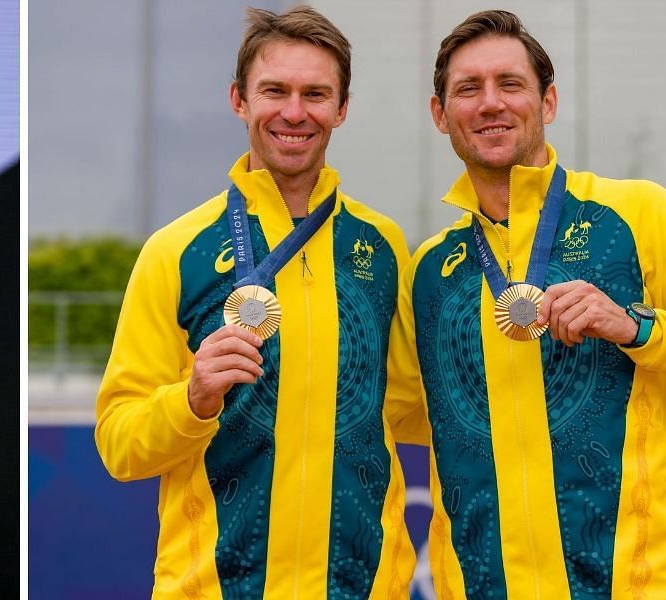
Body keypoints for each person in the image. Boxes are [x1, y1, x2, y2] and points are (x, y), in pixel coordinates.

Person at [395, 9, 666, 598]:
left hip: (632, 586)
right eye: (468, 89)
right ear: (439, 114)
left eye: (511, 84)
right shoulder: (430, 268)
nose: (490, 103)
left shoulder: (636, 214)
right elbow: (404, 410)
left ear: (548, 102)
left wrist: (636, 328)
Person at [95, 6, 424, 598]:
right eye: (274, 90)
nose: (294, 112)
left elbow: (405, 408)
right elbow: (119, 444)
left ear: (342, 108)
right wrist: (192, 399)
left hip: (363, 586)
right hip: (213, 587)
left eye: (316, 94)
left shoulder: (384, 246)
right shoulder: (175, 251)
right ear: (239, 100)